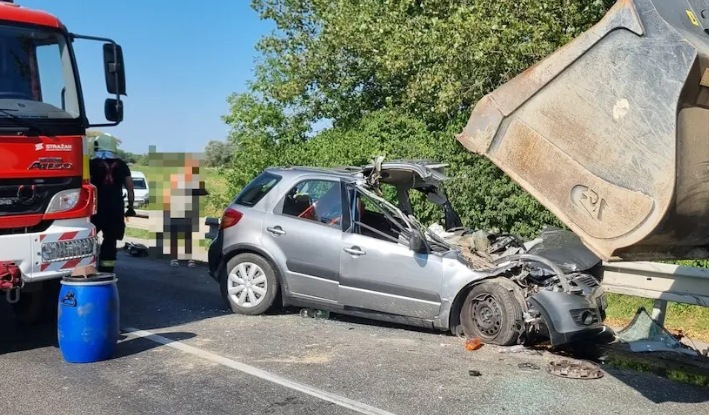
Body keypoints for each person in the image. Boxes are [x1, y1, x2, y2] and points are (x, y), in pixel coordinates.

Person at [89, 133, 136, 273]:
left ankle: (86, 268)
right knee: (110, 241)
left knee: (88, 238)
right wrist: (131, 207)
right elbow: (130, 188)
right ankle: (107, 271)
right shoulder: (122, 165)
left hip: (95, 208)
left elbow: (87, 184)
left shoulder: (91, 164)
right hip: (115, 208)